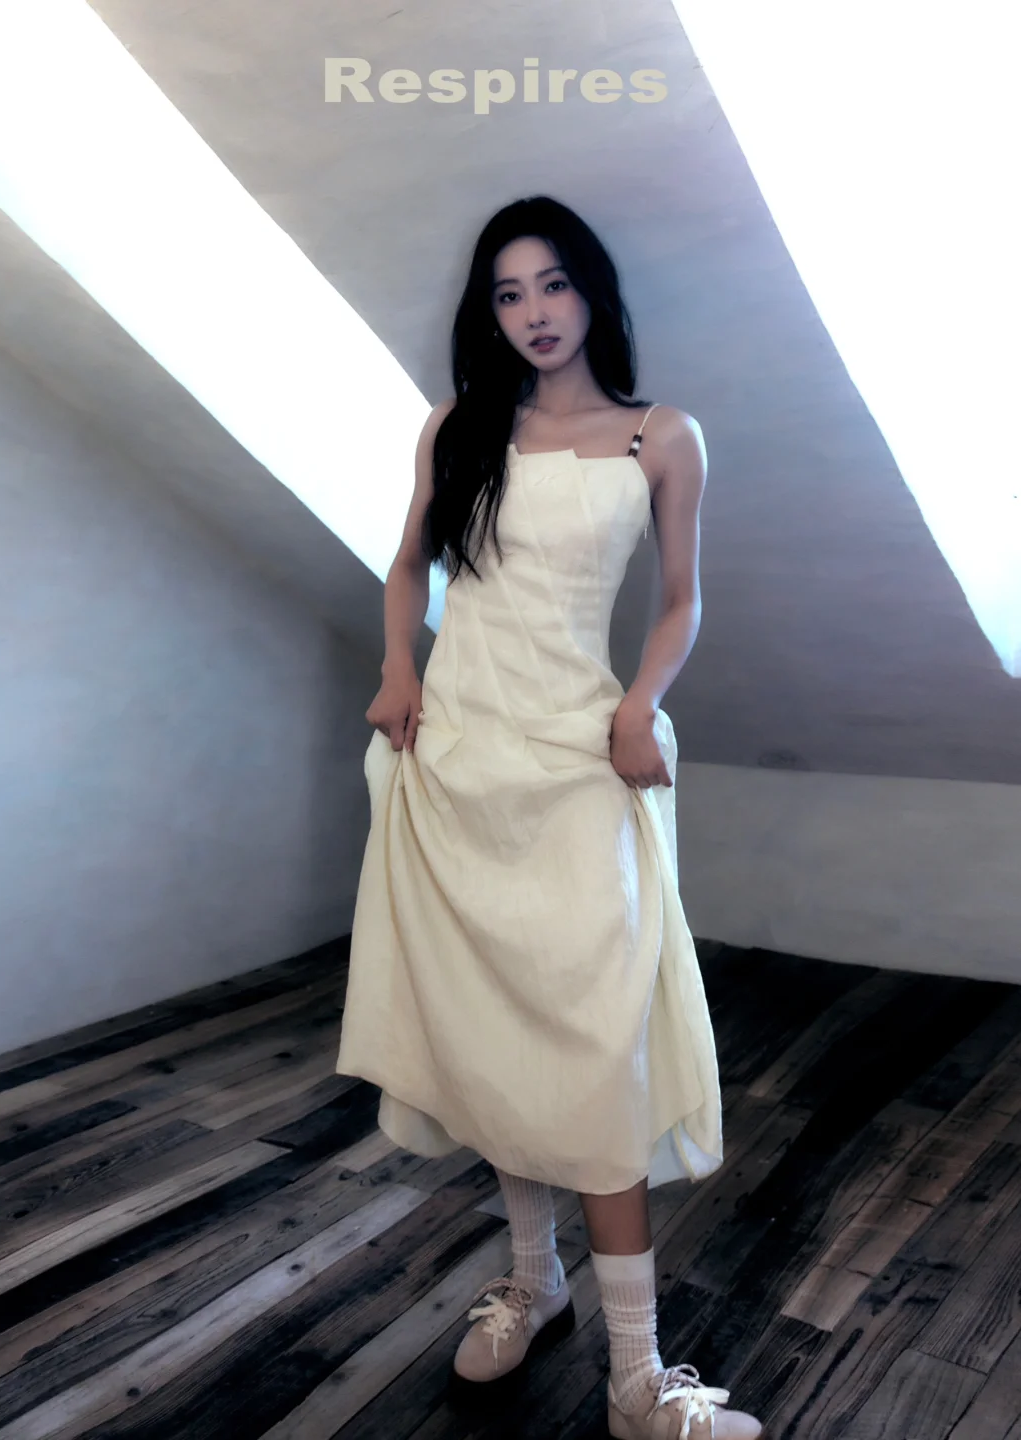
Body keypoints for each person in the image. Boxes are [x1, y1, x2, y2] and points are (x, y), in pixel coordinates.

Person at [336, 195, 762, 1440]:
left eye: (555, 284)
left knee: (593, 1048)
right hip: (460, 760)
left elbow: (681, 600)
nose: (535, 312)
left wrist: (641, 703)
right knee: (495, 1031)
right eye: (510, 292)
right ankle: (534, 1281)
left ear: (593, 294)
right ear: (490, 311)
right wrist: (399, 668)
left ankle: (638, 1376)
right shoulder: (459, 426)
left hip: (581, 761)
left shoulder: (659, 437)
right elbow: (409, 564)